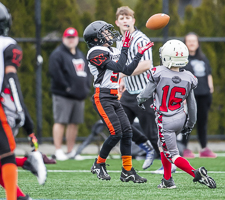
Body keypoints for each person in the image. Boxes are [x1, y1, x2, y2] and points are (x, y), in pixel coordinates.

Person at [137, 39, 216, 189]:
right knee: (162, 147)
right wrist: (190, 123)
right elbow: (192, 105)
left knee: (172, 154)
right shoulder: (189, 77)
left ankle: (196, 173)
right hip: (181, 117)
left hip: (165, 119)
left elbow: (146, 93)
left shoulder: (158, 72)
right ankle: (167, 180)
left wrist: (139, 99)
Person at [83, 20, 153, 182]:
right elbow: (118, 67)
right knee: (116, 133)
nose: (109, 34)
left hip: (114, 97)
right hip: (102, 97)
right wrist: (127, 48)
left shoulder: (112, 49)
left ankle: (127, 170)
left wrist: (139, 53)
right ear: (95, 38)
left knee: (127, 132)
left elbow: (127, 70)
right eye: (105, 32)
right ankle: (99, 164)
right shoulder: (95, 52)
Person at [0, 2, 46, 199]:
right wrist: (23, 116)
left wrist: (21, 113)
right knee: (5, 155)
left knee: (5, 154)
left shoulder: (6, 45)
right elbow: (11, 80)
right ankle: (19, 194)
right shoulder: (8, 45)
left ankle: (15, 197)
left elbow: (10, 79)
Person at [115, 6, 160, 170]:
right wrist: (122, 81)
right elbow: (122, 64)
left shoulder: (141, 39)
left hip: (145, 93)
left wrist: (122, 75)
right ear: (117, 22)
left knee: (153, 133)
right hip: (128, 94)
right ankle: (146, 149)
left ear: (133, 21)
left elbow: (146, 64)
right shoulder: (119, 41)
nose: (125, 20)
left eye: (128, 17)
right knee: (119, 125)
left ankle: (167, 163)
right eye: (122, 18)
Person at [49, 27, 91, 161]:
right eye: (68, 37)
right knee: (60, 121)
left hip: (79, 96)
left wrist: (86, 88)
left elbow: (87, 73)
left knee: (74, 123)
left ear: (77, 39)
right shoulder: (58, 54)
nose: (71, 40)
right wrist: (67, 88)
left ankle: (70, 151)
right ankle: (58, 150)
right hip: (63, 95)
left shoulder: (79, 54)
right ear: (63, 39)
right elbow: (55, 73)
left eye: (73, 38)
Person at [180, 32, 216, 158]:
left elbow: (209, 74)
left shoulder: (203, 58)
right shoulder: (182, 59)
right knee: (188, 122)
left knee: (202, 122)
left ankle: (204, 148)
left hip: (204, 95)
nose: (191, 43)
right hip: (190, 96)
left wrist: (210, 88)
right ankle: (183, 148)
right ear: (185, 43)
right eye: (189, 40)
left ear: (198, 43)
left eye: (194, 41)